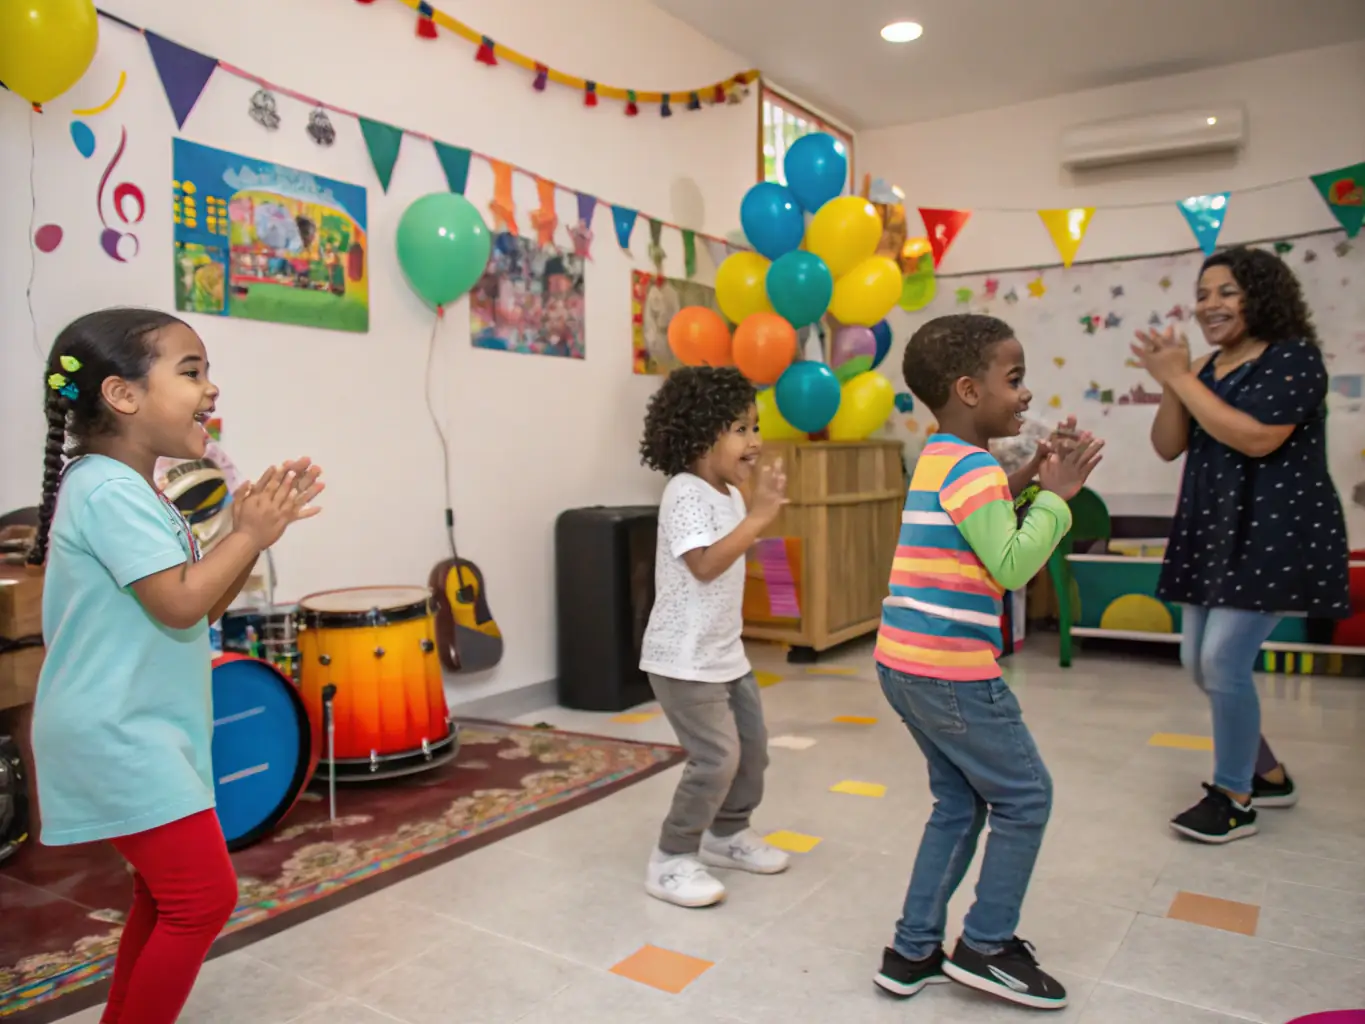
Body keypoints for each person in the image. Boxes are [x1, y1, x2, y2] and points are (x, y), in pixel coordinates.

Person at [27, 308, 325, 1024]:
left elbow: (202, 598)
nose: (211, 389)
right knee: (202, 899)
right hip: (115, 731)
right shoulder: (104, 488)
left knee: (165, 896)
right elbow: (180, 605)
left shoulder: (131, 489)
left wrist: (246, 536)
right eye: (191, 372)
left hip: (141, 726)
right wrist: (246, 531)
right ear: (122, 396)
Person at [872, 314, 1103, 1011]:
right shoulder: (969, 467)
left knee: (958, 802)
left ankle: (912, 951)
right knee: (1024, 796)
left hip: (903, 662)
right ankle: (985, 944)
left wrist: (1032, 475)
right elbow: (1008, 562)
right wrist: (1058, 499)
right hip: (949, 670)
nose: (1026, 394)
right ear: (969, 389)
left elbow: (984, 520)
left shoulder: (943, 457)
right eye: (1014, 379)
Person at [1132, 246, 1350, 844]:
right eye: (1203, 294)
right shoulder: (1203, 370)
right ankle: (1269, 774)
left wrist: (1179, 375)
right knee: (1199, 664)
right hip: (1215, 530)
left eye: (1226, 292)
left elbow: (1256, 439)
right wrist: (1172, 383)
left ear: (1261, 295)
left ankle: (1235, 795)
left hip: (1276, 532)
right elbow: (1168, 445)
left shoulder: (1295, 360)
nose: (1210, 305)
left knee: (1223, 662)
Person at [637, 365, 791, 908]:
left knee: (752, 751)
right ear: (703, 434)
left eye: (756, 427)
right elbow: (703, 564)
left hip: (725, 653)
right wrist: (761, 519)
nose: (757, 441)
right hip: (682, 659)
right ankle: (671, 859)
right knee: (717, 757)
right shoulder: (684, 493)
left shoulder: (726, 492)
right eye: (742, 429)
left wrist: (755, 516)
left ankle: (727, 834)